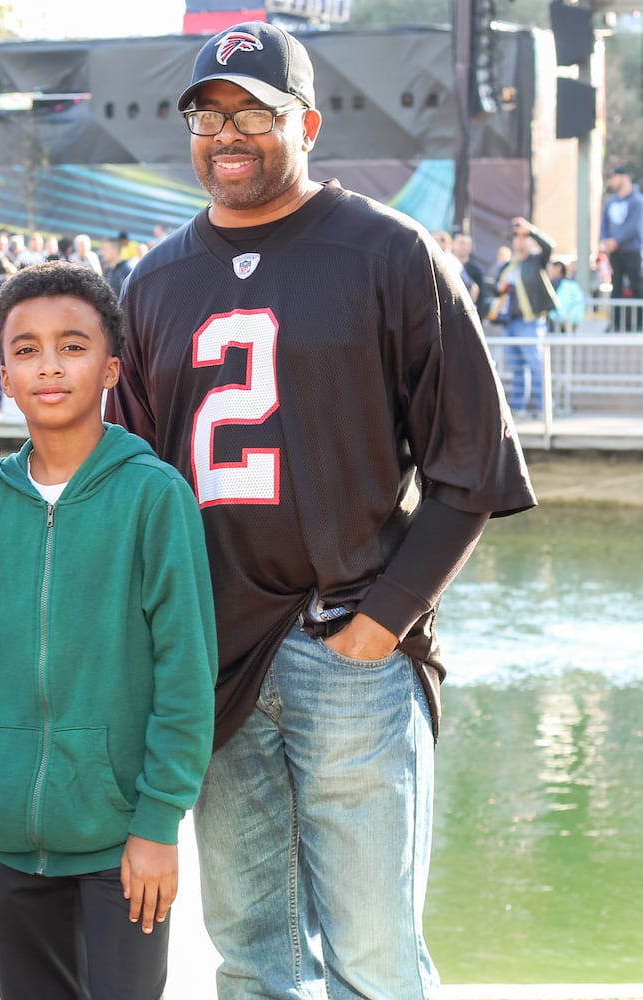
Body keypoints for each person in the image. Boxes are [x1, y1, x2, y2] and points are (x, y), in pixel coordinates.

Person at [105, 23, 535, 999]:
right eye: (208, 115)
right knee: (252, 958)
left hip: (350, 645)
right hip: (212, 666)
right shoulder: (156, 277)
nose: (227, 133)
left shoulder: (390, 253)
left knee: (374, 959)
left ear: (306, 121)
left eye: (251, 112)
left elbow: (471, 460)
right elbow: (131, 484)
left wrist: (387, 616)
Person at [0, 261, 217, 1000]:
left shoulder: (154, 496)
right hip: (2, 840)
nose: (50, 366)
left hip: (120, 844)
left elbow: (186, 676)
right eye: (26, 349)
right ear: (4, 371)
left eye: (73, 345)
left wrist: (160, 822)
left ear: (110, 368)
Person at [492, 217, 557, 417]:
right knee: (517, 367)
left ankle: (545, 407)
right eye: (516, 238)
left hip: (530, 321)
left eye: (522, 238)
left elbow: (549, 247)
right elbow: (496, 290)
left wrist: (531, 231)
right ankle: (518, 408)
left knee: (536, 364)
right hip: (510, 322)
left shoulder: (535, 261)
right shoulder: (508, 266)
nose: (519, 241)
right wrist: (498, 288)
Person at [600, 165, 642, 331]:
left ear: (624, 177)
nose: (612, 181)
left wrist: (617, 240)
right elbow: (604, 225)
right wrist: (605, 241)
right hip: (615, 253)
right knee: (615, 286)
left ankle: (639, 323)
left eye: (614, 177)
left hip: (631, 251)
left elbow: (634, 226)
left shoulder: (637, 201)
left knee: (636, 285)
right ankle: (616, 323)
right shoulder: (611, 202)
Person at [548, 259, 586, 333]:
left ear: (558, 268)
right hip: (572, 320)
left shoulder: (555, 284)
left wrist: (553, 316)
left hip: (558, 320)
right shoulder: (573, 284)